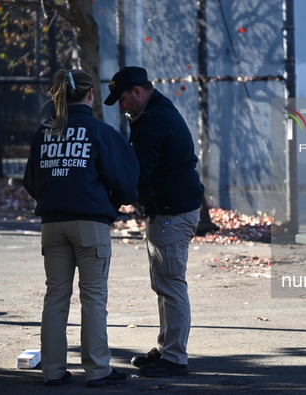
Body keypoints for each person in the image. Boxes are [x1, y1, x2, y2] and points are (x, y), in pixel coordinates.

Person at [23, 69, 139, 387]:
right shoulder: (100, 132)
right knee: (93, 298)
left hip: (52, 225)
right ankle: (98, 370)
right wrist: (112, 203)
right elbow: (125, 182)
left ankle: (53, 370)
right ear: (90, 95)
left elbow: (31, 182)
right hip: (91, 224)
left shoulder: (44, 132)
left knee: (55, 297)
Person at [104, 66, 204, 377]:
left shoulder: (153, 120)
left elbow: (139, 174)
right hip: (169, 209)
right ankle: (166, 348)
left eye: (122, 99)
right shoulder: (154, 111)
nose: (121, 107)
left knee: (171, 283)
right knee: (163, 281)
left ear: (136, 91)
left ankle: (174, 358)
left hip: (172, 211)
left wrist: (107, 200)